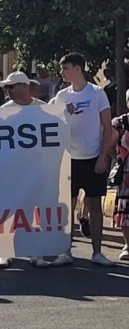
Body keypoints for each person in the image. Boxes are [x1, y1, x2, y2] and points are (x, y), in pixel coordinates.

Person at [50, 53, 114, 267]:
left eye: (65, 68)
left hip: (93, 156)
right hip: (69, 159)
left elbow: (107, 127)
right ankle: (65, 250)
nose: (62, 73)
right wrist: (62, 114)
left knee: (95, 204)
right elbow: (51, 123)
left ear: (78, 69)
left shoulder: (97, 93)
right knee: (68, 205)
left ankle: (97, 252)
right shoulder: (61, 96)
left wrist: (103, 156)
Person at [0, 72, 50, 269]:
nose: (7, 91)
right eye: (6, 88)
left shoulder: (43, 109)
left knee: (36, 213)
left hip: (36, 171)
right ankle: (5, 253)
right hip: (10, 172)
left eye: (11, 87)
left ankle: (37, 253)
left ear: (24, 86)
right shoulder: (3, 110)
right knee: (7, 212)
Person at [108, 89, 129, 262]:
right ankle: (128, 245)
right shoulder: (120, 123)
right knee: (125, 210)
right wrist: (117, 158)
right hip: (127, 173)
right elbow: (107, 144)